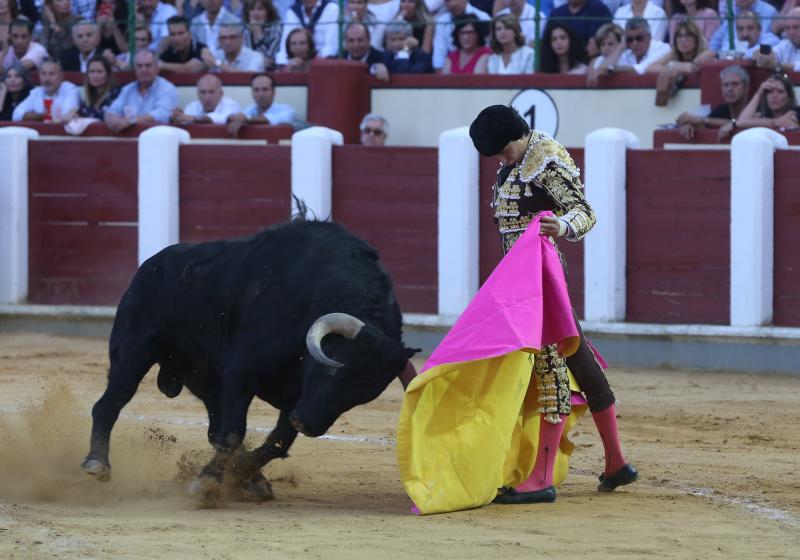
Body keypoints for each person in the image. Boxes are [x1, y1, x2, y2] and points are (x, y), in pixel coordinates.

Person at [468, 104, 637, 504]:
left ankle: (542, 477)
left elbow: (585, 212)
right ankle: (616, 462)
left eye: (503, 151)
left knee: (549, 366)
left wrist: (561, 225)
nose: (500, 159)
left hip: (538, 278)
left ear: (518, 136)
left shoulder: (546, 161)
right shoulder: (520, 157)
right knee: (578, 360)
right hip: (518, 277)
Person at [104, 49, 178, 133]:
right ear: (135, 69)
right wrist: (113, 121)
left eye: (148, 65)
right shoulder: (127, 89)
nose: (144, 70)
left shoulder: (167, 89)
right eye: (139, 66)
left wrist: (131, 120)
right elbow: (111, 111)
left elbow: (162, 114)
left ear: (157, 68)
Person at [675, 64, 749, 140]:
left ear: (746, 88)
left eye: (735, 84)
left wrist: (701, 120)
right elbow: (706, 123)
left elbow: (739, 122)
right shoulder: (722, 110)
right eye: (726, 85)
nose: (730, 89)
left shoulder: (756, 107)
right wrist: (690, 124)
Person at [649, 20, 715, 105]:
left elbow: (694, 67)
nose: (683, 40)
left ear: (696, 39)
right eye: (679, 36)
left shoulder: (705, 53)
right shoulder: (673, 53)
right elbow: (650, 68)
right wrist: (670, 68)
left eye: (688, 36)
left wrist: (672, 66)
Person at [719, 73, 800, 138]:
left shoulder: (795, 112)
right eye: (770, 92)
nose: (774, 96)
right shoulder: (762, 114)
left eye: (780, 91)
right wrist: (759, 92)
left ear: (789, 97)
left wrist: (734, 124)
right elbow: (742, 120)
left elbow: (777, 122)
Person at [12, 58, 79, 121]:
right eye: (43, 74)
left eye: (51, 74)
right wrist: (39, 116)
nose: (47, 79)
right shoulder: (37, 92)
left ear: (61, 76)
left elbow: (66, 116)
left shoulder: (70, 89)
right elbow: (16, 115)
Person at [431, 0, 491, 70]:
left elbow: (489, 50)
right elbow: (439, 59)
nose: (452, 4)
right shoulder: (441, 21)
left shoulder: (483, 18)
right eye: (448, 1)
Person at [276, 0, 341, 64]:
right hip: (296, 61)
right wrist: (285, 64)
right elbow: (284, 46)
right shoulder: (292, 11)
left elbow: (332, 46)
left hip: (324, 62)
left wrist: (312, 63)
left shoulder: (332, 9)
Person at [600, 17, 670, 74]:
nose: (635, 43)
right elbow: (603, 70)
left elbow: (643, 69)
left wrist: (613, 69)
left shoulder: (663, 49)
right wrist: (620, 47)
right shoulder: (625, 53)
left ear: (649, 37)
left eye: (639, 38)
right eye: (630, 39)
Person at [172, 73, 242, 124]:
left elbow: (222, 118)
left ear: (221, 93)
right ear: (198, 94)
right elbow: (185, 119)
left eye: (211, 92)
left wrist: (194, 119)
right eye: (203, 92)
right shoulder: (193, 106)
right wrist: (178, 117)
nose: (207, 97)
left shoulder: (232, 105)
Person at [708, 0, 776, 52]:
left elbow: (763, 45)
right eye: (740, 29)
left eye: (750, 28)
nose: (745, 34)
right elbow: (715, 43)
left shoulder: (768, 12)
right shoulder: (733, 12)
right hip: (727, 61)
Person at [755, 7, 800, 72]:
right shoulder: (786, 44)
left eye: (795, 27)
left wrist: (776, 65)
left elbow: (798, 67)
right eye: (787, 28)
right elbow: (773, 53)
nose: (791, 32)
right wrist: (762, 55)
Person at [548, 0, 613, 44]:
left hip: (589, 62)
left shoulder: (599, 10)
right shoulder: (556, 14)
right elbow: (547, 43)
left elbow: (593, 48)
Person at [242, 0, 282, 69]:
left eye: (260, 9)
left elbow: (269, 61)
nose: (256, 13)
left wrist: (258, 35)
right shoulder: (244, 31)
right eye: (252, 9)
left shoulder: (276, 30)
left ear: (268, 12)